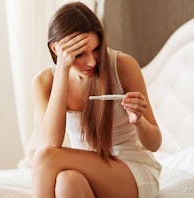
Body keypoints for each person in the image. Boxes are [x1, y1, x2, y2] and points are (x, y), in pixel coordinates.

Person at [29, 2, 162, 198]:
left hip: (132, 170)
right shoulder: (44, 82)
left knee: (43, 158)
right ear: (56, 49)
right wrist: (63, 70)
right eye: (79, 54)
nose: (91, 61)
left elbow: (155, 143)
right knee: (67, 182)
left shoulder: (123, 65)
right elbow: (52, 141)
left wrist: (139, 121)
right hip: (86, 171)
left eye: (96, 49)